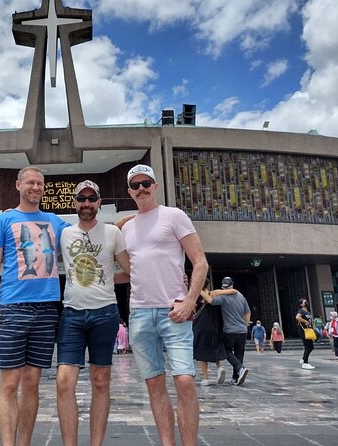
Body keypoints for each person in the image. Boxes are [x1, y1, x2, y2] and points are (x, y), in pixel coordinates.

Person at [119, 164, 208, 446]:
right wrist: (123, 221)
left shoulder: (174, 216)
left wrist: (190, 300)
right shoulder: (128, 228)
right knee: (154, 384)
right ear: (129, 191)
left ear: (155, 186)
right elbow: (130, 270)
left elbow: (200, 262)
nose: (141, 188)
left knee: (184, 381)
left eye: (147, 183)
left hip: (174, 311)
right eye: (135, 185)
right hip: (141, 314)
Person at [0, 166, 70, 446]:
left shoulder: (54, 221)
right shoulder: (3, 220)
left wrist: (127, 222)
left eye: (40, 183)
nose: (36, 187)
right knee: (9, 383)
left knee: (32, 382)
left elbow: (86, 233)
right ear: (18, 185)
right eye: (30, 182)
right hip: (13, 307)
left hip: (47, 310)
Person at [56, 180, 130, 446]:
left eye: (91, 199)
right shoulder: (63, 234)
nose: (86, 204)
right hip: (72, 314)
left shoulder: (112, 233)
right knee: (64, 381)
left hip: (105, 313)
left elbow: (130, 270)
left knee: (100, 381)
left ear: (99, 202)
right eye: (81, 199)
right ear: (74, 202)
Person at [201, 277, 250, 386]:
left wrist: (199, 290)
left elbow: (209, 300)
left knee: (226, 351)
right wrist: (245, 324)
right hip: (242, 331)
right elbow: (247, 312)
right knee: (239, 354)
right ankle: (235, 378)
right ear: (232, 285)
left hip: (230, 330)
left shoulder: (223, 297)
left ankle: (240, 368)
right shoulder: (241, 296)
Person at [194, 278, 231, 386]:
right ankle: (219, 367)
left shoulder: (197, 296)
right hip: (215, 327)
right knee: (213, 348)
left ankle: (205, 378)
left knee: (202, 351)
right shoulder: (214, 294)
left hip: (201, 326)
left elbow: (194, 311)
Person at [296, 298, 316, 369]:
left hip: (308, 330)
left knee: (311, 347)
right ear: (301, 304)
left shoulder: (307, 312)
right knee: (308, 346)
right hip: (303, 330)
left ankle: (304, 359)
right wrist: (305, 321)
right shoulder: (301, 311)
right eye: (305, 302)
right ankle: (305, 363)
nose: (306, 302)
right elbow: (297, 317)